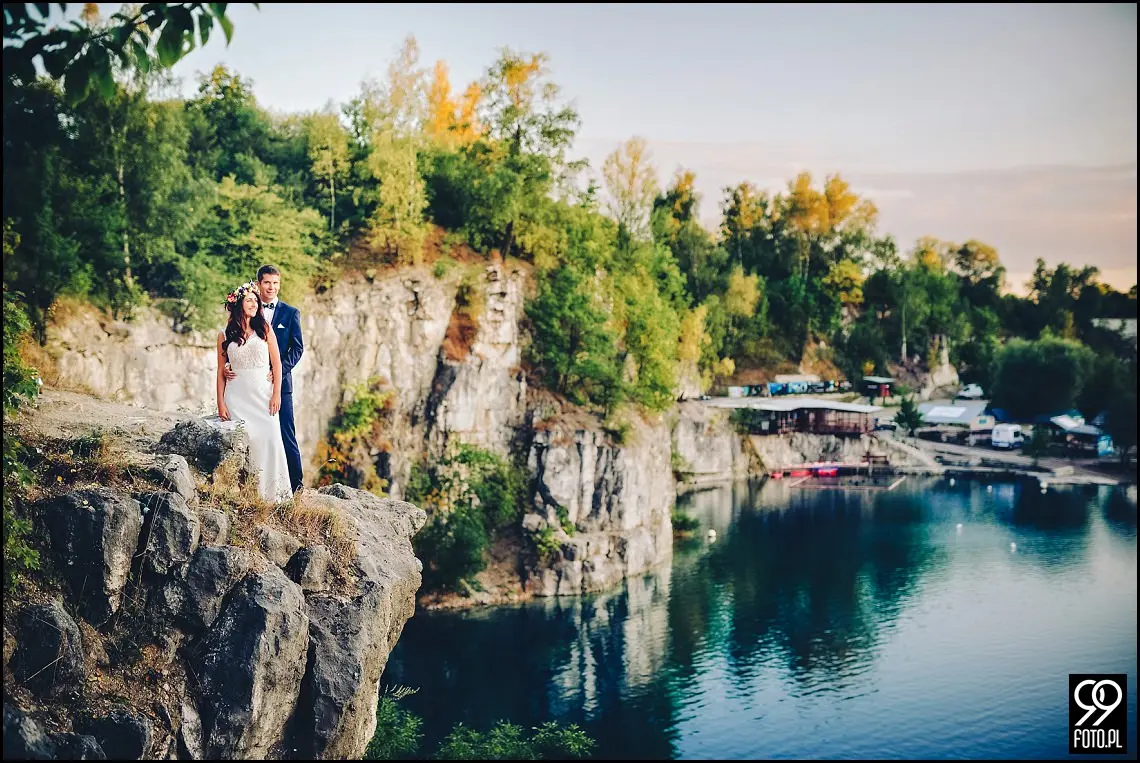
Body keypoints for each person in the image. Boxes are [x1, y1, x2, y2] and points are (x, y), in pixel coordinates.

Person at [223, 265, 305, 493]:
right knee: (251, 434)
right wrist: (230, 365)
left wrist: (278, 371)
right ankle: (254, 484)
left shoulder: (290, 313)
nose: (272, 287)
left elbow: (297, 349)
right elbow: (236, 346)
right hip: (247, 386)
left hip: (279, 385)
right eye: (267, 282)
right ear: (259, 284)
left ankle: (296, 487)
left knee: (285, 434)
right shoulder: (251, 311)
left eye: (276, 283)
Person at [216, 280, 292, 504]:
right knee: (248, 443)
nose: (254, 304)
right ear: (238, 304)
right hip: (236, 397)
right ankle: (251, 495)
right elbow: (220, 371)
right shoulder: (224, 334)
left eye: (256, 301)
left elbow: (277, 364)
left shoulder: (265, 329)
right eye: (249, 300)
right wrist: (221, 403)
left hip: (263, 396)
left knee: (271, 438)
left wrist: (276, 394)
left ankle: (275, 496)